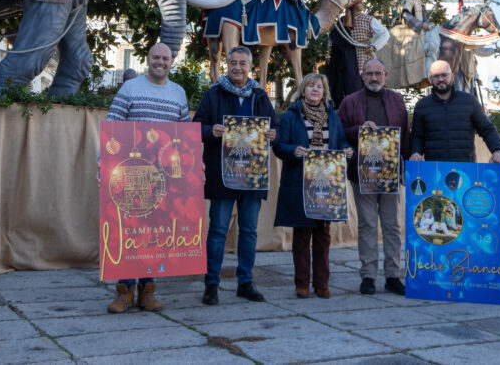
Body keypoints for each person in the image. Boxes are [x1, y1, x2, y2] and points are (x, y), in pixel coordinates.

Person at [104, 42, 190, 314]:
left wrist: (193, 172)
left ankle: (148, 291)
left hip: (166, 178)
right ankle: (124, 292)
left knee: (155, 234)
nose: (160, 62)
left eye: (165, 58)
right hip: (132, 174)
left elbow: (185, 136)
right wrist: (101, 166)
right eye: (156, 57)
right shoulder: (130, 89)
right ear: (148, 59)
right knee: (131, 230)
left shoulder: (179, 93)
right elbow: (113, 126)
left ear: (171, 62)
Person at [194, 46, 278, 306]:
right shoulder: (213, 93)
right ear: (227, 65)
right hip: (223, 174)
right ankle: (211, 284)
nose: (238, 67)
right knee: (218, 230)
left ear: (250, 66)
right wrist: (212, 131)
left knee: (249, 231)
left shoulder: (260, 96)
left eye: (243, 63)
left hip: (252, 175)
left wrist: (272, 135)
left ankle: (245, 282)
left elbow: (273, 127)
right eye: (233, 63)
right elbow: (196, 127)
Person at [273, 73, 352, 298]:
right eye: (311, 86)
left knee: (322, 235)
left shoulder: (332, 117)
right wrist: (292, 151)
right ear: (303, 90)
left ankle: (322, 283)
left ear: (324, 92)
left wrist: (347, 150)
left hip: (327, 184)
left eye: (319, 86)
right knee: (301, 235)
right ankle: (302, 284)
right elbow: (279, 146)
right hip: (299, 181)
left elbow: (342, 141)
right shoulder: (290, 117)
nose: (315, 90)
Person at [336, 59, 410, 296]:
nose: (374, 77)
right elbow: (340, 132)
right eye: (369, 74)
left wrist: (405, 166)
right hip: (362, 173)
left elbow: (405, 136)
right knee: (367, 224)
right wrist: (358, 129)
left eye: (378, 73)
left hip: (390, 173)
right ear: (362, 75)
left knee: (392, 226)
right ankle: (368, 276)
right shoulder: (350, 102)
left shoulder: (397, 101)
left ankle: (392, 276)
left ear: (385, 74)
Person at [409, 60, 500, 164]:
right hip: (434, 170)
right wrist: (415, 152)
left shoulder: (469, 101)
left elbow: (487, 129)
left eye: (444, 75)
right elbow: (417, 136)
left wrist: (498, 150)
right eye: (436, 76)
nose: (440, 79)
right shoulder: (422, 106)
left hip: (466, 169)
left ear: (453, 76)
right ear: (430, 79)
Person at [325, 0, 389, 104]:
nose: (363, 4)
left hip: (363, 57)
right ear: (353, 5)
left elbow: (385, 34)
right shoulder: (342, 22)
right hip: (344, 60)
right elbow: (333, 39)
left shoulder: (368, 19)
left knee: (362, 85)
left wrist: (374, 46)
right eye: (360, 2)